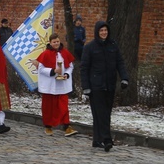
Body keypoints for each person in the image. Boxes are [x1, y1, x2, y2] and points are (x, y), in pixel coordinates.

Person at [81, 20, 129, 152]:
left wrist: (124, 78)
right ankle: (107, 139)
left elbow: (120, 62)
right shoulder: (90, 47)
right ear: (97, 32)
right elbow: (84, 68)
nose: (104, 33)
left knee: (103, 113)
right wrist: (85, 86)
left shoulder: (113, 45)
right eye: (101, 31)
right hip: (96, 85)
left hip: (110, 84)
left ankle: (97, 140)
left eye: (105, 30)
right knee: (101, 113)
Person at [37, 33, 78, 136]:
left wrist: (66, 74)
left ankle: (67, 126)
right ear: (50, 43)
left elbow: (70, 66)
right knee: (48, 107)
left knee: (63, 106)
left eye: (57, 42)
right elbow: (41, 69)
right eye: (54, 42)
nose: (56, 44)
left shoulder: (64, 53)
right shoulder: (45, 54)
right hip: (50, 85)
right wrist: (53, 71)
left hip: (61, 84)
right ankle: (48, 126)